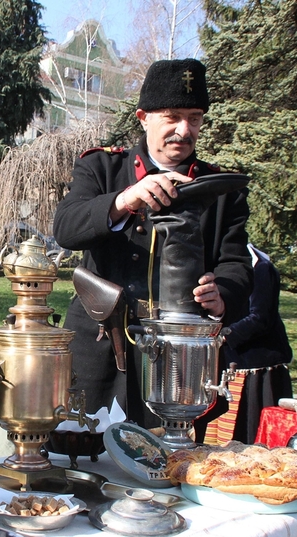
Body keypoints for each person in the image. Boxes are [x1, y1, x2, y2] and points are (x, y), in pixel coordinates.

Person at [53, 58, 253, 430]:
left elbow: (237, 265)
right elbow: (65, 228)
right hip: (98, 345)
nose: (184, 129)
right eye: (172, 116)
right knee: (80, 453)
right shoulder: (102, 169)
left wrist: (222, 293)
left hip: (178, 358)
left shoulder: (222, 190)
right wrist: (123, 201)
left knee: (165, 460)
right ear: (144, 117)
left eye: (194, 118)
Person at [214, 244, 293, 444]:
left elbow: (260, 317)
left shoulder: (261, 267)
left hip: (257, 367)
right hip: (228, 362)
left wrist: (225, 335)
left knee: (251, 437)